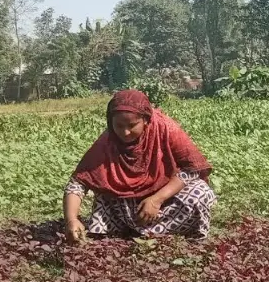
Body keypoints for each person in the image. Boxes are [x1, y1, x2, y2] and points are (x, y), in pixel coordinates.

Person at [62, 89, 216, 243]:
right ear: (111, 122)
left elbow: (192, 168)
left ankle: (154, 231)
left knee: (201, 192)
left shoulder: (166, 129)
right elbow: (78, 182)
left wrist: (156, 199)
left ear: (146, 120)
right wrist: (71, 220)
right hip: (125, 208)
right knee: (104, 195)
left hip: (164, 198)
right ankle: (131, 231)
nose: (125, 132)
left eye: (132, 125)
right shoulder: (108, 141)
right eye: (119, 125)